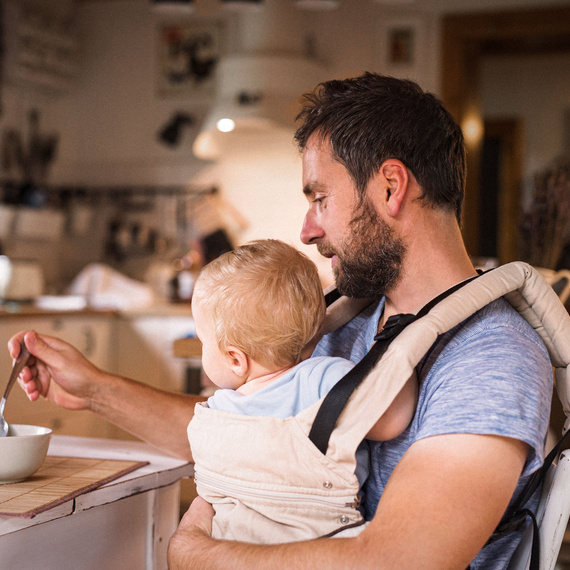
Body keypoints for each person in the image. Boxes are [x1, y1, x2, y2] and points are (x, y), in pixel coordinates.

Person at [9, 73, 552, 569]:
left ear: (390, 187)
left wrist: (198, 552)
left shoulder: (490, 355)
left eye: (320, 198)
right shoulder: (351, 318)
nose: (307, 230)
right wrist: (96, 390)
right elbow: (257, 433)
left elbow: (399, 560)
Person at [188, 238, 417, 543]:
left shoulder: (220, 410)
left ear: (235, 359)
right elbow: (392, 419)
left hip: (233, 541)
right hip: (319, 542)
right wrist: (400, 350)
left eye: (204, 342)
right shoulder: (323, 378)